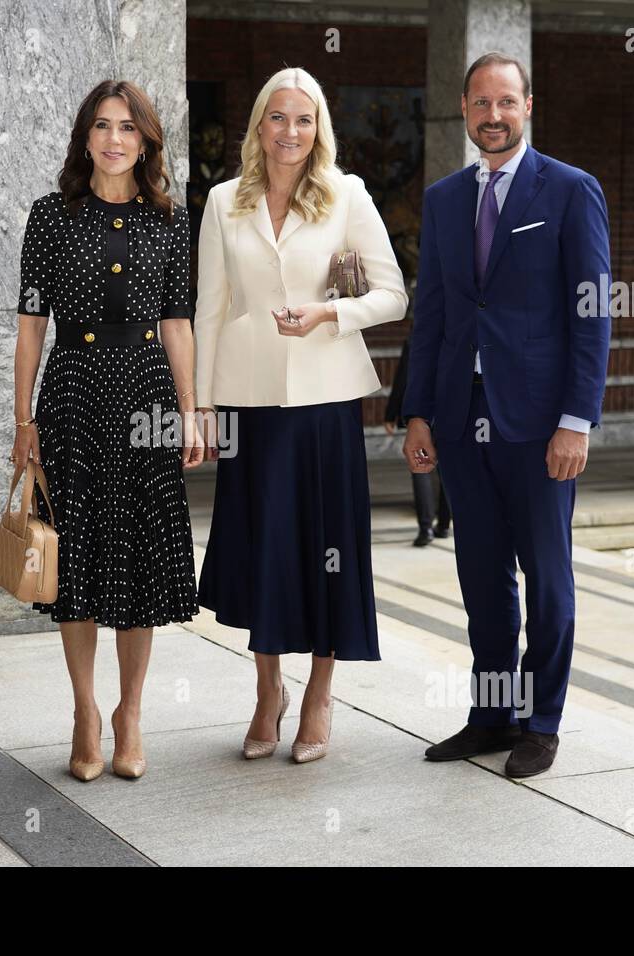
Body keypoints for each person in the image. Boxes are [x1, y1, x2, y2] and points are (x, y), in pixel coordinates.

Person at [402, 52, 611, 777]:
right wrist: (418, 412)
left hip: (541, 427)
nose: (494, 116)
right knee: (482, 580)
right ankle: (492, 717)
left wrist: (577, 421)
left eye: (507, 103)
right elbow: (432, 315)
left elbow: (593, 317)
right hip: (462, 421)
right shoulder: (445, 198)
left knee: (548, 582)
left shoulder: (572, 191)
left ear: (529, 106)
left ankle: (541, 721)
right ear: (463, 110)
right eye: (481, 104)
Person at [194, 67, 408, 763]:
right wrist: (198, 405)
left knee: (327, 554)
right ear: (259, 126)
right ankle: (267, 692)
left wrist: (330, 313)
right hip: (252, 405)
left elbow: (393, 294)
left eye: (305, 119)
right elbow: (210, 308)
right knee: (263, 552)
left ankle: (318, 695)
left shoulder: (346, 196)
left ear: (320, 130)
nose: (291, 131)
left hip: (325, 405)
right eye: (278, 118)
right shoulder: (225, 200)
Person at [11, 80, 204, 782]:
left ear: (146, 140)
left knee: (142, 559)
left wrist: (191, 408)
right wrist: (23, 417)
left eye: (128, 128)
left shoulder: (170, 220)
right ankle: (85, 711)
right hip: (72, 394)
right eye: (101, 126)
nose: (114, 139)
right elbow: (32, 323)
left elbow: (178, 322)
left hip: (147, 394)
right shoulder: (51, 216)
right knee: (79, 558)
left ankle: (131, 713)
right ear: (84, 138)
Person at [384, 334, 451, 546]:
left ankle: (426, 528)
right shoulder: (460, 330)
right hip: (450, 410)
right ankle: (442, 525)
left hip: (423, 411)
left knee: (421, 468)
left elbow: (404, 377)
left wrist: (391, 414)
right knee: (447, 471)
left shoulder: (417, 338)